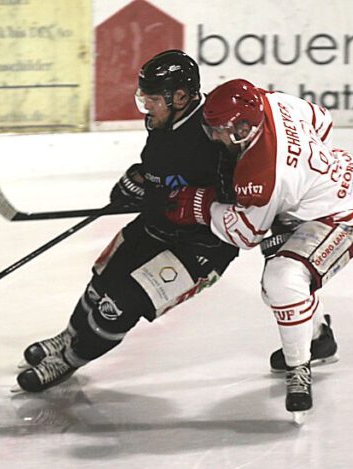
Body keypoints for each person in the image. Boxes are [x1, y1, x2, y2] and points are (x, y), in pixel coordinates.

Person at [16, 50, 241, 392]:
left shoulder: (215, 130)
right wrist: (140, 179)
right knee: (101, 284)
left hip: (200, 246)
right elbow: (160, 166)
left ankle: (70, 359)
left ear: (181, 97)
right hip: (158, 223)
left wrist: (196, 201)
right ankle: (69, 336)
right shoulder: (164, 121)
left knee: (119, 306)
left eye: (153, 100)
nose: (146, 108)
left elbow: (240, 197)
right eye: (144, 99)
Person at [163, 79, 353, 418]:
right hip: (334, 185)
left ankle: (299, 369)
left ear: (244, 129)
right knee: (279, 277)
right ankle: (319, 339)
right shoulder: (270, 102)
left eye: (220, 131)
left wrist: (201, 206)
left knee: (281, 280)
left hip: (345, 216)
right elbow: (322, 119)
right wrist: (305, 179)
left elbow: (246, 233)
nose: (215, 137)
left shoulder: (263, 174)